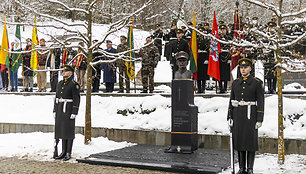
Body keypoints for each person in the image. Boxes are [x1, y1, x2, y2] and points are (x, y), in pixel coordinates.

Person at [227, 58, 264, 174]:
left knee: (250, 143)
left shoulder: (257, 83)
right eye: (241, 68)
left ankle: (250, 168)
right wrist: (230, 116)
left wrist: (259, 119)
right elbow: (231, 100)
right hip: (238, 115)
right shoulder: (236, 83)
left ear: (250, 68)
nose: (243, 69)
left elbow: (261, 102)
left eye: (245, 67)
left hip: (250, 115)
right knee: (239, 142)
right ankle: (242, 168)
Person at [53, 65, 80, 161]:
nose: (63, 72)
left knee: (68, 130)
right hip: (61, 108)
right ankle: (63, 151)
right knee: (62, 130)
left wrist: (74, 111)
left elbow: (76, 99)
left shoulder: (74, 84)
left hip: (68, 109)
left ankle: (68, 152)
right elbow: (56, 98)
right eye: (63, 71)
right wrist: (55, 110)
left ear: (70, 73)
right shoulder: (60, 83)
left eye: (66, 71)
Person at [218, 24, 231, 93]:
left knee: (225, 73)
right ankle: (220, 87)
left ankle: (225, 88)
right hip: (219, 56)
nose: (222, 31)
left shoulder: (228, 38)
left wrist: (230, 58)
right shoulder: (217, 38)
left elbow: (231, 48)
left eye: (224, 30)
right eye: (221, 30)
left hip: (226, 56)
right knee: (220, 73)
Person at [197, 27, 210, 93]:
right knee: (198, 74)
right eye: (199, 32)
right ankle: (199, 88)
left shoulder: (206, 41)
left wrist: (207, 59)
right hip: (198, 58)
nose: (200, 34)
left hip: (204, 58)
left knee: (204, 75)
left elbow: (208, 50)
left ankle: (203, 88)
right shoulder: (196, 40)